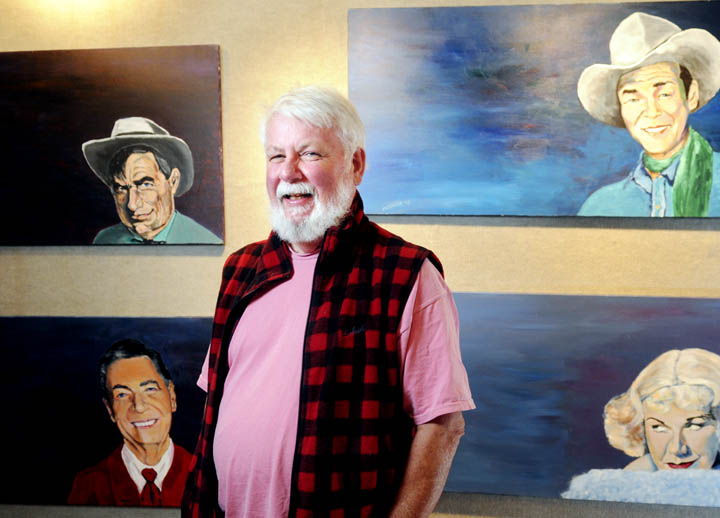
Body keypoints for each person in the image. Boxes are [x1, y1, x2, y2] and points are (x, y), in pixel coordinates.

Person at [182, 86, 474, 518]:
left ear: (355, 164)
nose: (289, 172)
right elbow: (215, 407)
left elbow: (442, 427)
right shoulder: (241, 269)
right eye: (276, 156)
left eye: (310, 154)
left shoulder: (407, 274)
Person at [576, 12, 720, 217]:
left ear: (691, 95)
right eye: (633, 99)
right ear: (621, 107)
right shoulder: (600, 207)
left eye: (664, 93)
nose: (652, 112)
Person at [562, 348, 720, 510]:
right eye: (659, 427)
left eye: (694, 425)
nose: (676, 448)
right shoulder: (605, 492)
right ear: (640, 429)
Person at [68, 339, 192, 506]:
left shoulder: (204, 476)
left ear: (171, 397)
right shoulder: (90, 485)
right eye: (122, 395)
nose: (139, 406)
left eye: (150, 389)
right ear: (110, 410)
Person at [82, 116, 223, 244]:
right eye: (121, 188)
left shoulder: (203, 241)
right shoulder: (106, 240)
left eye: (145, 184)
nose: (131, 204)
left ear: (173, 182)